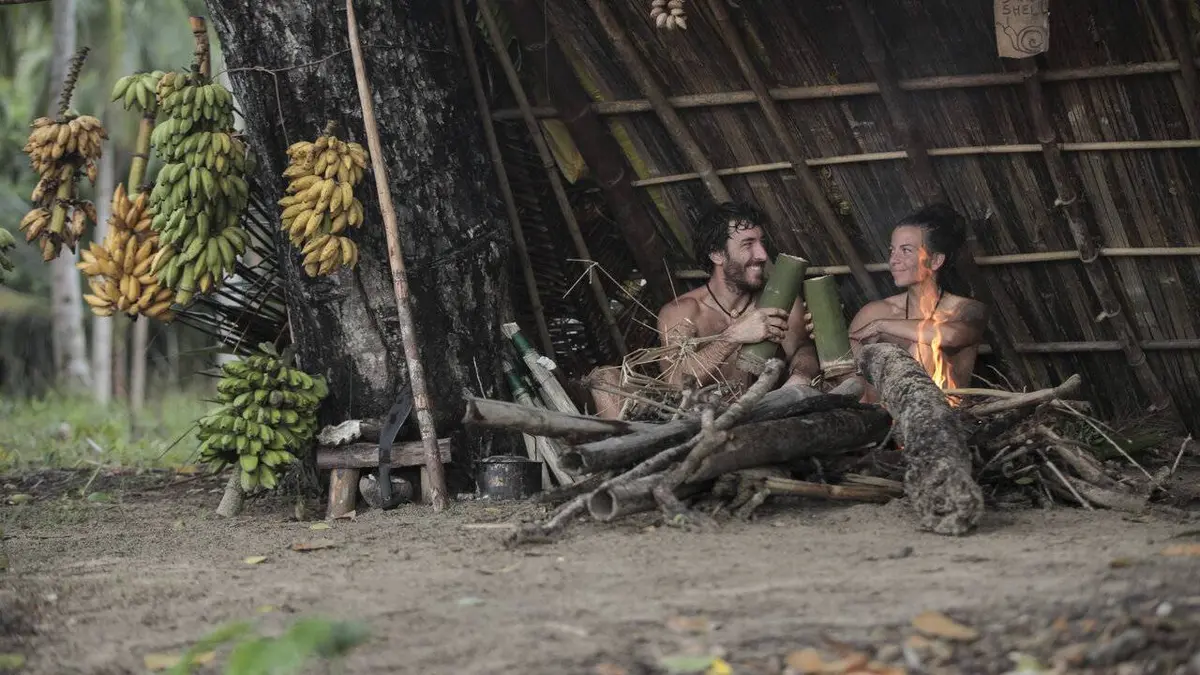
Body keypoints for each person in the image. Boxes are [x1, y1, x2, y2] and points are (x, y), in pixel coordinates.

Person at [590, 201, 819, 418]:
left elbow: (803, 349)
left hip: (766, 414)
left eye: (761, 242)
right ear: (717, 254)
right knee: (603, 378)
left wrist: (801, 375)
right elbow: (676, 382)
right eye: (748, 244)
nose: (762, 255)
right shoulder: (682, 313)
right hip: (700, 423)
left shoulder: (780, 300)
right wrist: (733, 336)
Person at [847, 203, 988, 400]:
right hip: (882, 412)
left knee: (925, 347)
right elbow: (850, 374)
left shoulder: (967, 309)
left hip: (943, 411)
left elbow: (950, 336)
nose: (893, 260)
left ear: (936, 261)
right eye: (892, 250)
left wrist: (881, 326)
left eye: (906, 250)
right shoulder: (874, 313)